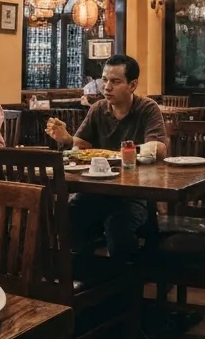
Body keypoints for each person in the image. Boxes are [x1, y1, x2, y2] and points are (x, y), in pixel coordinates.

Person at [45, 54, 167, 260]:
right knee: (68, 213)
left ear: (133, 85)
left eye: (115, 81)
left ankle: (126, 284)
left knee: (118, 227)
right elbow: (81, 145)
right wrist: (66, 138)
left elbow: (159, 148)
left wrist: (121, 153)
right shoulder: (99, 108)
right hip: (98, 189)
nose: (107, 87)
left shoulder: (147, 108)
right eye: (105, 80)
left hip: (135, 193)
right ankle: (84, 275)